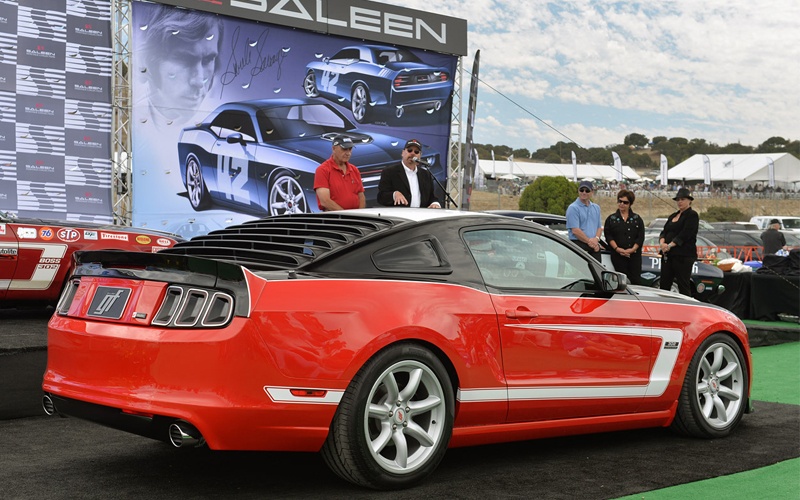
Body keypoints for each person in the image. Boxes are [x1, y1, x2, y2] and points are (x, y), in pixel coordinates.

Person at [134, 5, 224, 131]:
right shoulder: (132, 118)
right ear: (148, 61)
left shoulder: (222, 118)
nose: (199, 81)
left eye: (208, 60)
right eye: (184, 60)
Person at [377, 139, 441, 208]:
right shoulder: (390, 172)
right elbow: (381, 197)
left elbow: (432, 197)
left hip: (420, 214)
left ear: (420, 156)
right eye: (409, 150)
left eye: (416, 152)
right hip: (399, 214)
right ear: (402, 153)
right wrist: (394, 194)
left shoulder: (426, 174)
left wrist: (435, 203)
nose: (413, 153)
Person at [658, 188, 699, 296]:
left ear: (689, 200)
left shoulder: (692, 215)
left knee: (683, 284)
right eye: (678, 200)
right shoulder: (673, 216)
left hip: (683, 256)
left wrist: (670, 245)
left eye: (683, 199)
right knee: (664, 284)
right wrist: (662, 243)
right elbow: (664, 231)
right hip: (668, 255)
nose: (680, 202)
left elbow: (685, 234)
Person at [313, 135, 366, 211]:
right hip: (334, 216)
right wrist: (345, 215)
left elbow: (361, 196)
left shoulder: (354, 170)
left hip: (354, 216)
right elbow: (325, 201)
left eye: (350, 149)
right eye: (344, 149)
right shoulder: (323, 170)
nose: (348, 153)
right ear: (334, 148)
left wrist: (360, 214)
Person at [604, 189, 645, 285]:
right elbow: (608, 236)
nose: (622, 204)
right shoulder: (611, 219)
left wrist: (632, 249)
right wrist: (617, 249)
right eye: (620, 201)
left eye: (625, 202)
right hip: (618, 255)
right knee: (621, 281)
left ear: (630, 204)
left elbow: (640, 236)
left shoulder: (637, 219)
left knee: (635, 281)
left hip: (634, 256)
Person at [566, 180, 603, 261]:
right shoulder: (573, 208)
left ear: (592, 192)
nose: (584, 192)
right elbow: (575, 230)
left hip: (593, 246)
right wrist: (590, 242)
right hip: (578, 245)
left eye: (587, 190)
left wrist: (596, 239)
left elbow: (599, 227)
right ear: (578, 191)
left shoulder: (596, 208)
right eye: (581, 190)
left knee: (597, 268)